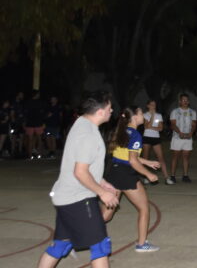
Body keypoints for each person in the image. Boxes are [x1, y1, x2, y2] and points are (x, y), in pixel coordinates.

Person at [37, 91, 118, 268]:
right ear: (100, 112)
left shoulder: (81, 123)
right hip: (78, 199)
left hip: (66, 197)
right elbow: (80, 172)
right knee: (100, 246)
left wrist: (102, 182)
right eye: (110, 108)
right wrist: (102, 192)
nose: (111, 111)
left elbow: (85, 165)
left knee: (60, 245)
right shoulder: (87, 134)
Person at [102, 107, 161, 252]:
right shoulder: (135, 134)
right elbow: (133, 161)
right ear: (134, 117)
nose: (143, 116)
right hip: (126, 175)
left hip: (113, 172)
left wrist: (148, 162)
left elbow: (127, 156)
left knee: (106, 215)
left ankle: (71, 236)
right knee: (144, 208)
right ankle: (142, 244)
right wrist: (148, 174)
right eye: (141, 113)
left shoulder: (121, 131)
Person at [142, 100, 173, 185]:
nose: (153, 106)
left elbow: (160, 128)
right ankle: (146, 177)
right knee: (145, 158)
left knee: (161, 158)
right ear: (148, 106)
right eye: (151, 104)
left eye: (154, 105)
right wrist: (152, 115)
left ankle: (167, 178)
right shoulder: (145, 115)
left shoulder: (159, 115)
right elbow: (146, 126)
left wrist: (151, 126)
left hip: (156, 138)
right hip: (147, 137)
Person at [169, 94, 197, 184]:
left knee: (186, 157)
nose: (185, 101)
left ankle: (185, 175)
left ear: (188, 101)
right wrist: (179, 132)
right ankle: (172, 176)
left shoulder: (193, 112)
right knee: (175, 157)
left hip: (188, 138)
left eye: (186, 100)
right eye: (183, 100)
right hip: (177, 138)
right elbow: (173, 124)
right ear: (180, 101)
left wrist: (191, 133)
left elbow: (194, 124)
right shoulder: (174, 111)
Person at [23, 90, 47, 159]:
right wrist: (43, 122)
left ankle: (30, 155)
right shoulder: (40, 102)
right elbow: (42, 113)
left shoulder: (27, 102)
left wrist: (24, 123)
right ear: (36, 95)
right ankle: (39, 154)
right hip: (38, 123)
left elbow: (25, 113)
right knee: (39, 139)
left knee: (30, 139)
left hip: (30, 123)